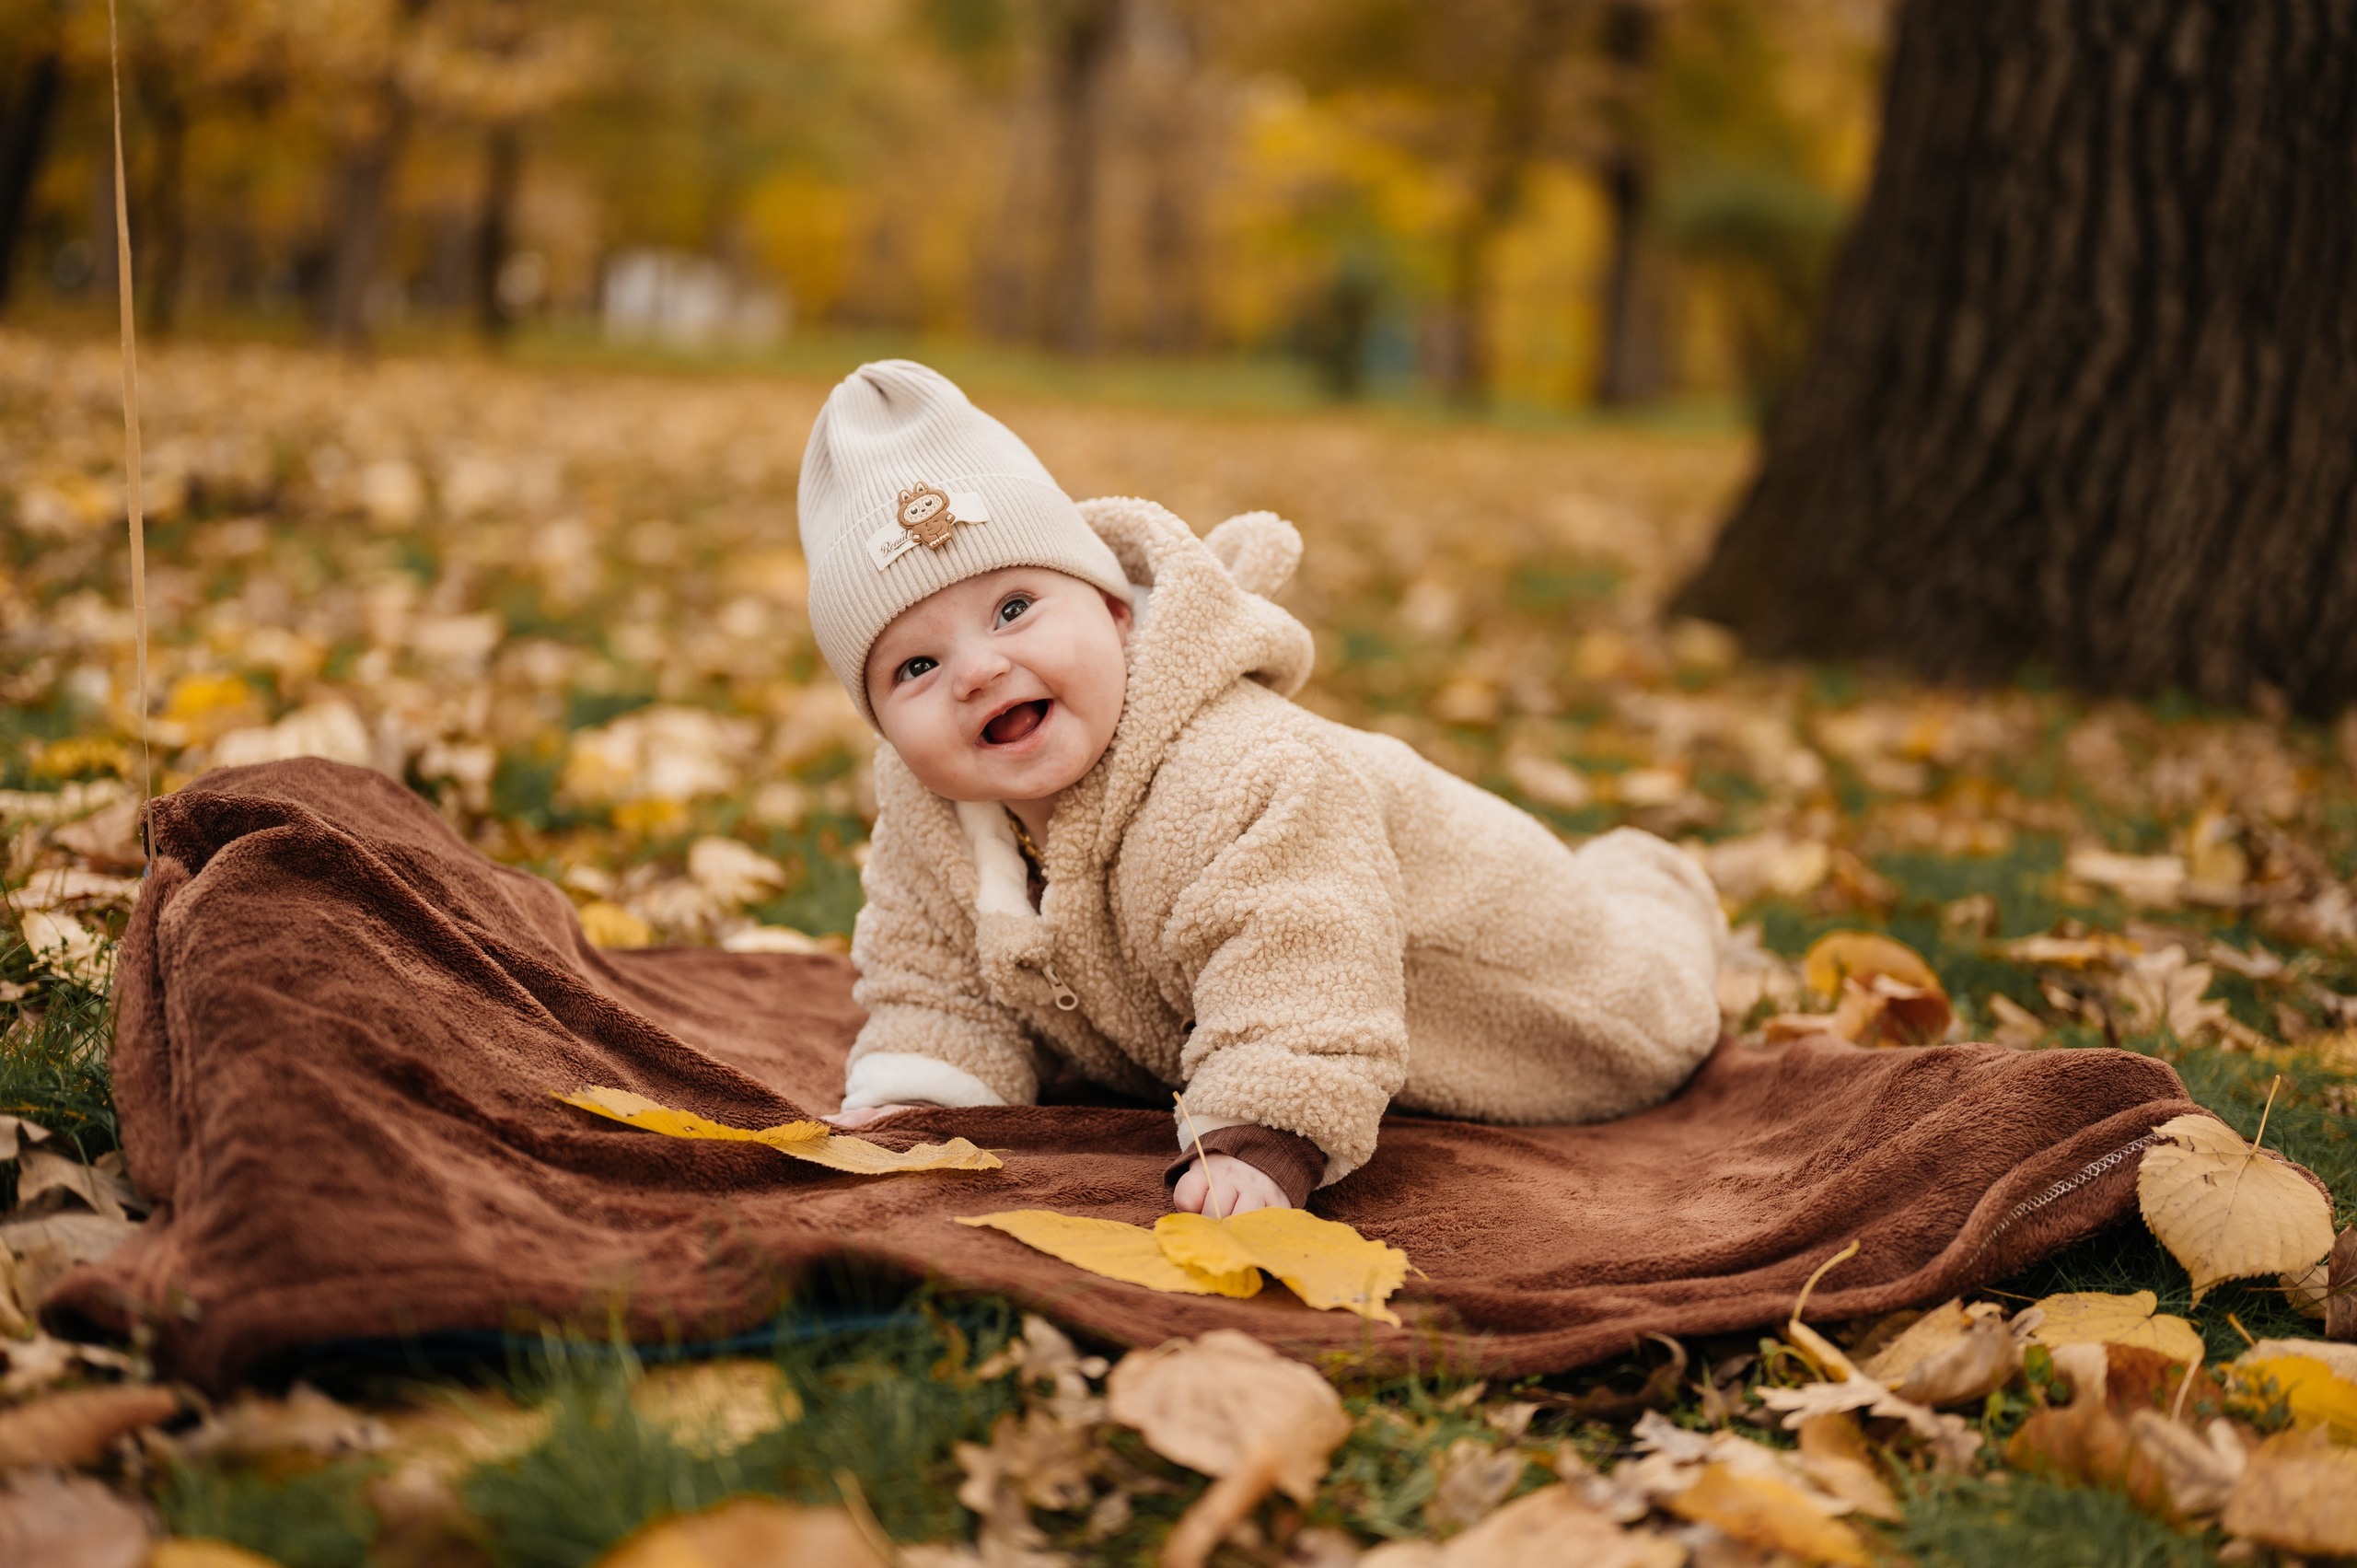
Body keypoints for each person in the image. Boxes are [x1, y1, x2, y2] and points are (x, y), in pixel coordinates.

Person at [804, 361, 1725, 1215]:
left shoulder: (1251, 772)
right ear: (882, 722)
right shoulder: (932, 817)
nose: (977, 669)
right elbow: (932, 972)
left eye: (1013, 609)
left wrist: (1257, 1128)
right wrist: (923, 1089)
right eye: (916, 664)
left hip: (1546, 985)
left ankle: (1660, 883)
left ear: (1115, 612)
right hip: (1302, 980)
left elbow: (1303, 952)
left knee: (1651, 975)